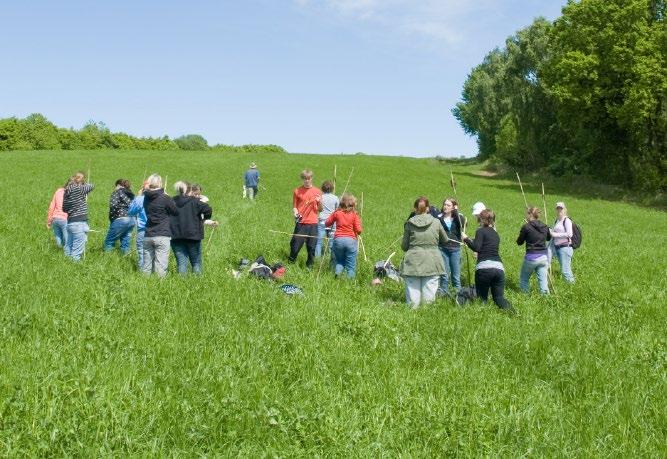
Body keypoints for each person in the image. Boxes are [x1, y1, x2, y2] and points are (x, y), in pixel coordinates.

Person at [400, 197, 449, 308]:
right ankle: (426, 318)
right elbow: (445, 240)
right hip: (433, 261)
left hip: (413, 262)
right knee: (429, 300)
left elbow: (404, 246)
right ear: (428, 208)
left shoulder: (409, 223)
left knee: (413, 302)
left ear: (415, 209)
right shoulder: (436, 222)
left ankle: (412, 319)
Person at [462, 209, 512, 310]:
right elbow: (485, 244)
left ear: (482, 219)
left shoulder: (480, 231)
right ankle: (514, 314)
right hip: (499, 268)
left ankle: (482, 319)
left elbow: (477, 248)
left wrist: (466, 239)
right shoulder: (495, 233)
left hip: (484, 269)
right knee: (499, 298)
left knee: (482, 299)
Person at [170, 182, 215, 275]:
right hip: (193, 236)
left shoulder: (171, 201)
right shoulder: (195, 201)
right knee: (196, 262)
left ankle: (182, 284)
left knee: (181, 263)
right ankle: (197, 283)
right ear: (189, 190)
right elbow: (208, 209)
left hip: (176, 236)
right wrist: (205, 218)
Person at [142, 174, 178, 277]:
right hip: (162, 234)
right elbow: (175, 211)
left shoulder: (146, 198)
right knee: (161, 265)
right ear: (160, 183)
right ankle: (159, 287)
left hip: (148, 234)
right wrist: (168, 197)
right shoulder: (165, 198)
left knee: (146, 265)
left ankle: (144, 285)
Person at [288, 170, 322, 268]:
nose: (307, 180)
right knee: (295, 246)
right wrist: (295, 212)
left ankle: (309, 267)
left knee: (311, 248)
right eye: (305, 179)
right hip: (301, 223)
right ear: (302, 179)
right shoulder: (297, 191)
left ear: (312, 178)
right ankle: (291, 264)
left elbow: (320, 209)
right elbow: (294, 206)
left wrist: (319, 202)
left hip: (313, 224)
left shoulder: (317, 191)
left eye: (309, 178)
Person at [325, 193, 362, 278]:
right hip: (351, 241)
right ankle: (349, 284)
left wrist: (335, 213)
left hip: (338, 240)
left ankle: (337, 275)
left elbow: (327, 223)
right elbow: (359, 230)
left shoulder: (337, 213)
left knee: (340, 261)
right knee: (350, 266)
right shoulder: (354, 215)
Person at [517, 206, 551, 294]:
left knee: (524, 278)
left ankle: (525, 297)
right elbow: (548, 238)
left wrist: (524, 229)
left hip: (531, 257)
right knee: (543, 280)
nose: (525, 216)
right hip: (543, 257)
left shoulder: (526, 227)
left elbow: (519, 242)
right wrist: (546, 229)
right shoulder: (544, 226)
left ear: (530, 214)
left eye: (526, 214)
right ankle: (546, 298)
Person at [437, 197, 466, 296]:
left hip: (455, 249)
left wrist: (457, 211)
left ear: (453, 207)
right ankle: (443, 294)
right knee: (444, 275)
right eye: (444, 204)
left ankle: (458, 296)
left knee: (455, 276)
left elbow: (462, 224)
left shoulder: (459, 218)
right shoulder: (439, 218)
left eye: (448, 205)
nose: (445, 207)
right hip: (442, 248)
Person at [62, 171, 94, 261]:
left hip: (70, 223)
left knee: (68, 248)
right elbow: (91, 186)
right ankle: (75, 267)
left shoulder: (66, 192)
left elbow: (64, 209)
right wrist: (83, 183)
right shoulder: (79, 189)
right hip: (79, 223)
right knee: (76, 253)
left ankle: (65, 265)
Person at [103, 179, 135, 254]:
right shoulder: (131, 194)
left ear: (118, 185)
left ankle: (108, 260)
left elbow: (113, 206)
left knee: (109, 242)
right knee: (125, 242)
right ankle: (126, 259)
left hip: (121, 219)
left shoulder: (117, 192)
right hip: (131, 220)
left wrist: (112, 220)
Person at [550, 201, 575, 283]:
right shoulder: (557, 220)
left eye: (561, 208)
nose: (559, 210)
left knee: (565, 271)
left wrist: (555, 235)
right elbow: (554, 232)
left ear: (565, 209)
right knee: (564, 269)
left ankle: (572, 287)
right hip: (557, 247)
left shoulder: (567, 220)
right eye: (558, 208)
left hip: (565, 248)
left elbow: (569, 234)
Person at [315, 180, 339, 258]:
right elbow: (337, 210)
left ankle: (317, 258)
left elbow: (318, 209)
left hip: (322, 221)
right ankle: (330, 257)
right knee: (331, 241)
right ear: (332, 188)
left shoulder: (320, 197)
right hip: (332, 222)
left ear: (323, 188)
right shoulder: (335, 198)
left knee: (319, 242)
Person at [128, 181, 149, 269]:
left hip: (143, 229)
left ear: (143, 189)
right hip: (159, 230)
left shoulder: (140, 199)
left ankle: (144, 274)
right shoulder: (163, 198)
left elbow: (131, 211)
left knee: (142, 252)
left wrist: (138, 196)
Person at [47, 178, 71, 248]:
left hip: (55, 219)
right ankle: (67, 256)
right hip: (65, 219)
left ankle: (59, 252)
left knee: (59, 239)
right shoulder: (71, 193)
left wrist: (49, 221)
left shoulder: (59, 191)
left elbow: (52, 206)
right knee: (67, 240)